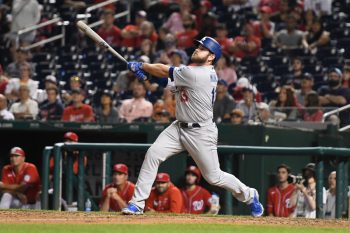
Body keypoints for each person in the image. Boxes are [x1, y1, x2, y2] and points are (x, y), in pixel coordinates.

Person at [121, 36, 264, 216]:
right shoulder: (192, 73)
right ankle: (137, 203)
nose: (197, 49)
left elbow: (164, 70)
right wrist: (147, 76)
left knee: (214, 177)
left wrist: (142, 66)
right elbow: (167, 82)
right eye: (198, 46)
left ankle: (250, 195)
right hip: (178, 127)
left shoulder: (198, 73)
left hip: (200, 131)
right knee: (153, 154)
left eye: (203, 48)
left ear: (211, 57)